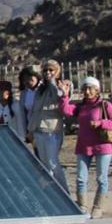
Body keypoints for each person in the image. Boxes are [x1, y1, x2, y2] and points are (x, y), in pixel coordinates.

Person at [60, 77, 112, 217]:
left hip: (103, 146)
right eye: (85, 89)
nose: (87, 92)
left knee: (101, 178)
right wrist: (64, 95)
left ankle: (98, 207)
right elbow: (66, 110)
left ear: (97, 90)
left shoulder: (105, 105)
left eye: (90, 89)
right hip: (84, 146)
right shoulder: (81, 106)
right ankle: (82, 206)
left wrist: (101, 123)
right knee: (81, 178)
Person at [26, 60, 67, 191]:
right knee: (44, 164)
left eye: (51, 70)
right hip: (39, 130)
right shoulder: (40, 90)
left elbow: (61, 96)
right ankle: (51, 192)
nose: (48, 73)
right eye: (45, 70)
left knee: (53, 163)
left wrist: (54, 81)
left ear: (57, 71)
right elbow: (35, 111)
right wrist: (31, 130)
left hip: (52, 130)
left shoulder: (62, 85)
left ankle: (64, 191)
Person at [18, 67, 41, 134]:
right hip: (31, 128)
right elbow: (23, 113)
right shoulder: (24, 93)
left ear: (37, 77)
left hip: (45, 128)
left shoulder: (44, 89)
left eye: (30, 78)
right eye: (24, 79)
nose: (28, 81)